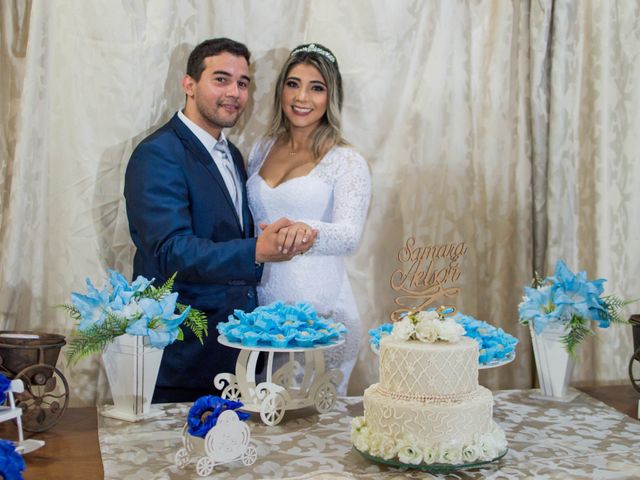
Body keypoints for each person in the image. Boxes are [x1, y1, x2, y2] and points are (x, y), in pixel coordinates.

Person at [124, 38, 316, 403]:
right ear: (189, 85)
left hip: (238, 355)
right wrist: (256, 250)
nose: (235, 92)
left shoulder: (233, 153)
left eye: (243, 83)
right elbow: (169, 250)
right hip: (183, 357)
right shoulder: (157, 154)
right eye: (222, 79)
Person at [247, 43, 371, 394]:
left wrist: (307, 229)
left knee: (312, 436)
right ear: (280, 90)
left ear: (331, 96)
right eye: (293, 83)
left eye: (316, 87)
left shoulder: (347, 161)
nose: (302, 97)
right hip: (262, 316)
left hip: (321, 314)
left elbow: (349, 236)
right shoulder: (262, 148)